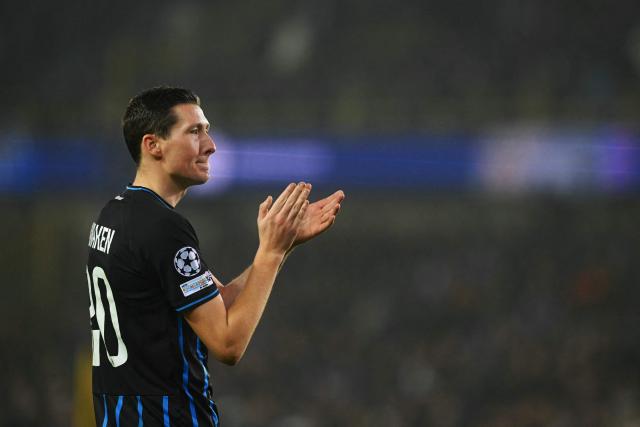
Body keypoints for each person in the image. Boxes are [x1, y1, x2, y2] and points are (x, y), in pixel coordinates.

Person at [85, 86, 345, 426]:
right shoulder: (163, 227)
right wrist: (270, 252)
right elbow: (228, 343)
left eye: (206, 130)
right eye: (194, 132)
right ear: (153, 145)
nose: (211, 145)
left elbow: (216, 302)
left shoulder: (112, 215)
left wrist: (281, 247)